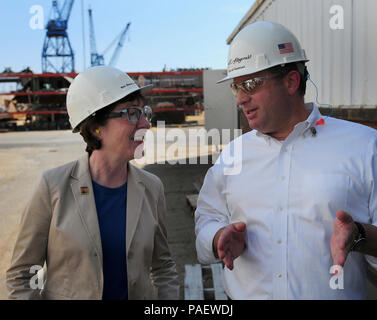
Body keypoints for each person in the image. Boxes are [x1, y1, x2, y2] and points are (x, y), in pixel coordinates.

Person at [195, 21, 377, 299]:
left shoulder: (364, 147)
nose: (240, 100)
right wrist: (219, 236)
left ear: (291, 81)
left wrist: (359, 236)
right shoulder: (232, 154)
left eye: (251, 84)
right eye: (236, 88)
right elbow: (206, 219)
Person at [6, 66, 179, 300]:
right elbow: (22, 275)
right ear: (97, 127)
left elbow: (163, 267)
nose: (146, 124)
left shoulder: (152, 187)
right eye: (131, 113)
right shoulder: (53, 186)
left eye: (144, 112)